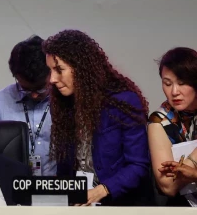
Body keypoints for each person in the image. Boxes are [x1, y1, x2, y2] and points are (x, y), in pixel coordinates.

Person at [42, 29, 151, 206]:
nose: (52, 79)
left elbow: (138, 166)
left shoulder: (123, 101)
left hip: (118, 203)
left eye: (59, 70)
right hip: (79, 203)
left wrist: (100, 191)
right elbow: (65, 167)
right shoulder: (62, 105)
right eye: (50, 70)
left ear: (81, 68)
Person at [0, 35, 56, 176]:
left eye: (40, 89)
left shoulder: (67, 102)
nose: (33, 95)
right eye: (25, 89)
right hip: (14, 188)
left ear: (52, 72)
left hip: (60, 187)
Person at [148, 47, 197, 206]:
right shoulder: (159, 121)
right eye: (167, 83)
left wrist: (192, 173)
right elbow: (168, 186)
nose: (174, 91)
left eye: (182, 83)